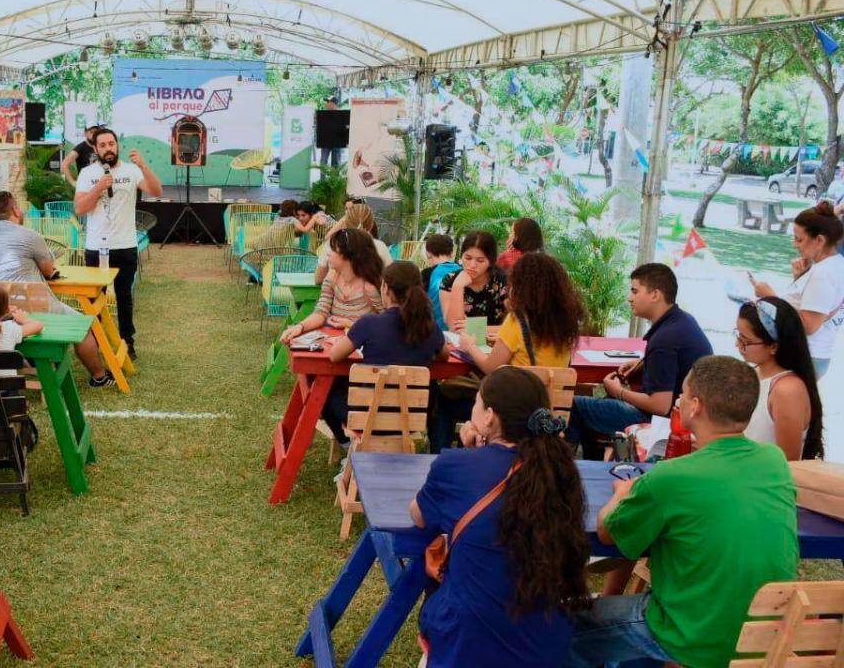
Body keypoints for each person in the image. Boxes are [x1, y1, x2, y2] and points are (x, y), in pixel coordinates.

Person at [566, 356, 798, 668]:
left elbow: (608, 533)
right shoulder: (773, 462)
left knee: (561, 629)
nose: (679, 399)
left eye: (684, 393)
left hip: (692, 637)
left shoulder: (671, 476)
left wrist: (622, 495)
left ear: (696, 406)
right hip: (764, 636)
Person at [411, 367, 588, 667]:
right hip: (544, 645)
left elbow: (418, 516)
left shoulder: (455, 466)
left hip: (467, 645)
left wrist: (467, 453)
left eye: (476, 403)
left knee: (440, 582)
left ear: (489, 416)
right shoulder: (559, 473)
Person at [566, 262, 711, 456]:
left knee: (573, 406)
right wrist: (643, 364)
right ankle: (593, 460)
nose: (629, 298)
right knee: (591, 406)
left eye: (635, 291)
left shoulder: (664, 340)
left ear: (655, 295)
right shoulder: (682, 321)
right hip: (692, 415)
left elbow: (660, 405)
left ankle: (564, 469)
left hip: (663, 423)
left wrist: (618, 392)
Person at [0, 191, 113, 387]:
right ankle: (99, 377)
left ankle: (32, 362)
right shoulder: (30, 235)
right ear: (15, 210)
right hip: (29, 307)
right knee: (83, 325)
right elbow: (48, 271)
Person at [324, 261, 448, 444]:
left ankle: (348, 445)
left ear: (386, 289)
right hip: (411, 419)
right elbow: (444, 356)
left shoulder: (368, 324)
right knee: (434, 388)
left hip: (367, 416)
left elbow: (334, 355)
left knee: (327, 390)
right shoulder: (429, 327)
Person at [74, 127, 162, 361]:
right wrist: (99, 187)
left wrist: (143, 165)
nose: (108, 149)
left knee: (124, 296)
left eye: (111, 144)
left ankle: (127, 341)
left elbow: (156, 190)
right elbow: (80, 208)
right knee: (96, 297)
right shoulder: (87, 173)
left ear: (117, 145)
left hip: (124, 245)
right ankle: (98, 341)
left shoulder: (132, 171)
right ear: (95, 149)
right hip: (96, 248)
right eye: (102, 145)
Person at [752, 200, 844, 377]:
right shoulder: (834, 265)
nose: (795, 244)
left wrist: (770, 297)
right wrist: (801, 278)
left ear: (819, 240)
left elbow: (809, 325)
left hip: (804, 355)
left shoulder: (823, 273)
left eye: (799, 239)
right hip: (815, 354)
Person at [456, 252, 585, 373]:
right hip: (554, 396)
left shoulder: (517, 320)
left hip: (521, 395)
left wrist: (470, 346)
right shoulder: (566, 320)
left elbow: (490, 367)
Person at [737, 297, 824, 460]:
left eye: (745, 341)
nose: (738, 345)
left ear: (773, 346)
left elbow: (787, 463)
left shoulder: (787, 391)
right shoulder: (754, 374)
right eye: (738, 336)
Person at [279, 228, 384, 345]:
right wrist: (300, 326)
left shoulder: (370, 287)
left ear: (348, 254)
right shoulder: (332, 277)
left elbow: (386, 325)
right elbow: (321, 313)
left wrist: (351, 325)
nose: (328, 253)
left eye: (333, 249)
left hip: (361, 348)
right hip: (333, 343)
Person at [443, 231, 509, 332]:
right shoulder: (450, 280)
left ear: (491, 261)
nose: (472, 265)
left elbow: (518, 326)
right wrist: (457, 286)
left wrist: (476, 329)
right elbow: (454, 326)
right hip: (462, 344)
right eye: (468, 258)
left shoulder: (502, 281)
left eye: (480, 260)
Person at [313, 204, 391, 283]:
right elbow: (390, 278)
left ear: (346, 223)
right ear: (371, 225)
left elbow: (318, 279)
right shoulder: (380, 246)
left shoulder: (333, 245)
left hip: (338, 294)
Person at [421, 234, 461, 332]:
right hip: (459, 330)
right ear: (452, 253)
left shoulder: (427, 274)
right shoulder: (463, 272)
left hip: (434, 331)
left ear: (428, 253)